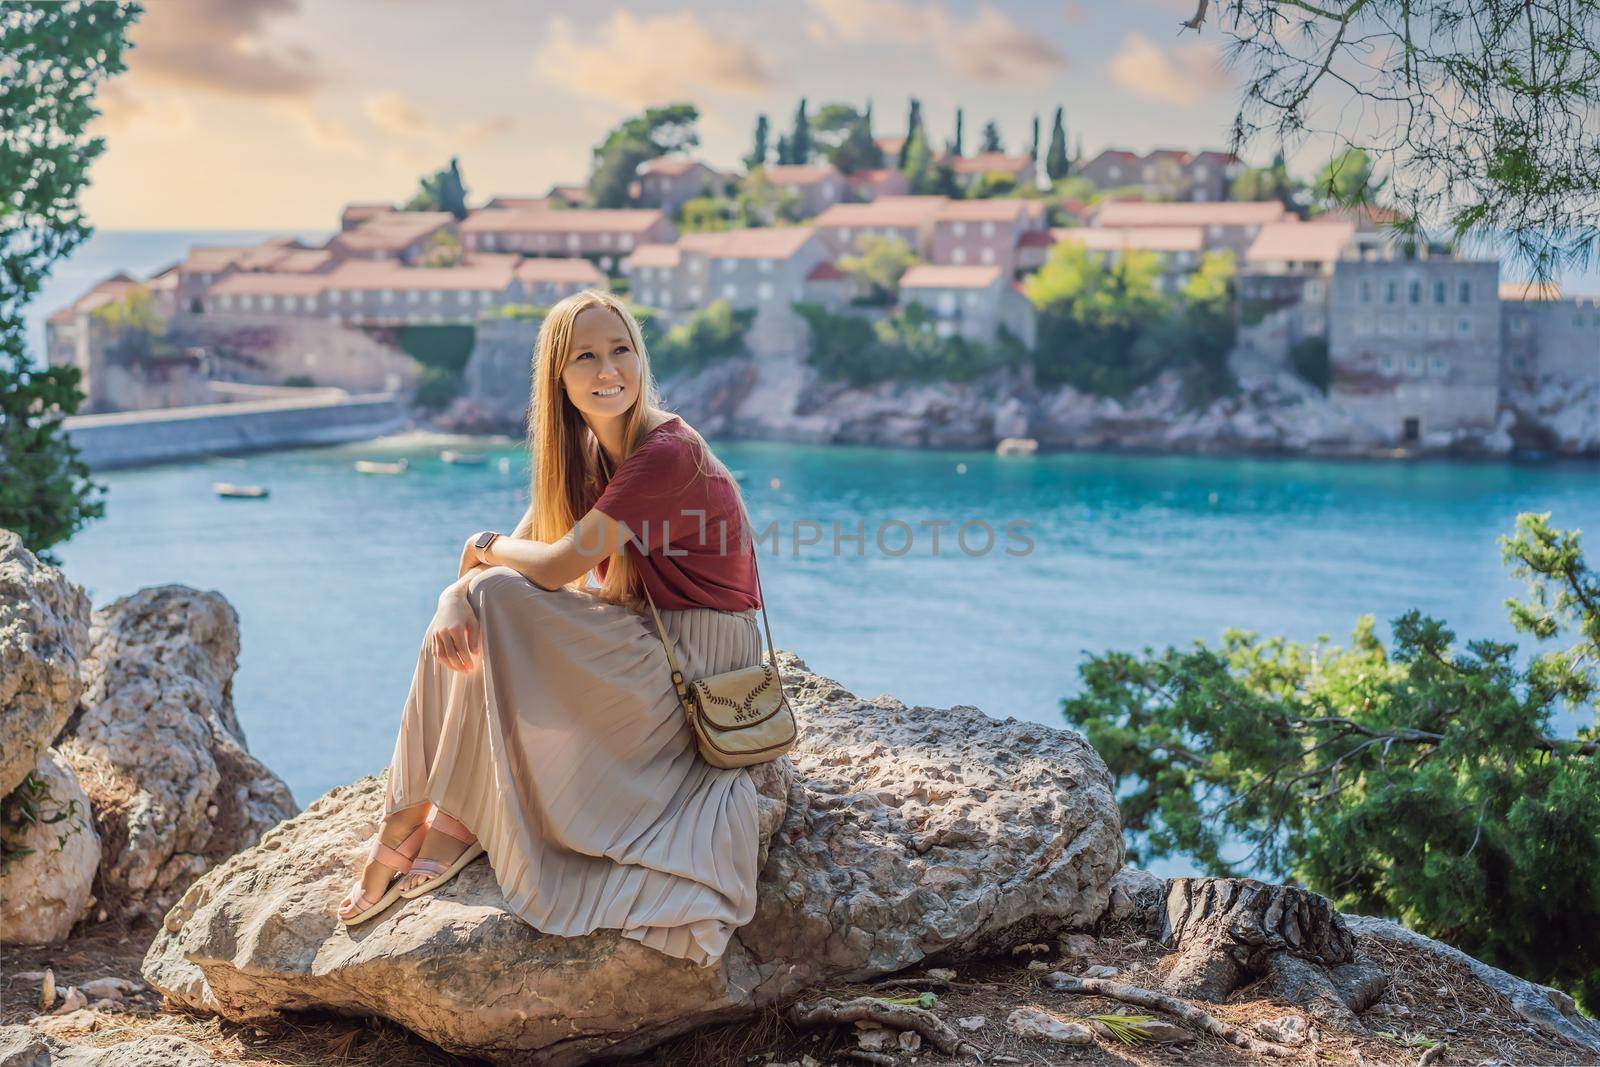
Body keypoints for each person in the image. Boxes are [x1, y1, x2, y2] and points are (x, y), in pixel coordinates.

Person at [336, 289, 767, 970]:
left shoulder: (665, 454)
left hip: (697, 661)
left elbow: (558, 563)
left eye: (621, 349)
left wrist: (479, 550)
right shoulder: (596, 452)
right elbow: (530, 560)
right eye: (586, 356)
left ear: (640, 357)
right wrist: (459, 589)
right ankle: (433, 814)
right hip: (653, 643)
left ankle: (417, 820)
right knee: (492, 598)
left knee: (499, 596)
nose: (608, 370)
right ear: (558, 378)